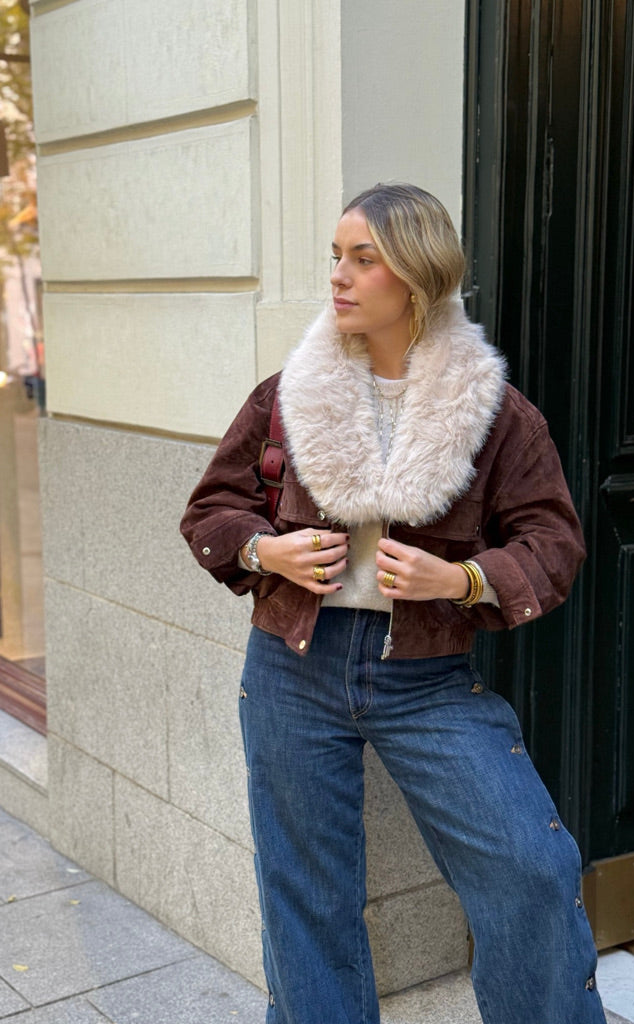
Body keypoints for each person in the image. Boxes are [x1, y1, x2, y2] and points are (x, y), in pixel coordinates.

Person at [180, 182, 606, 1024]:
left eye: (362, 258)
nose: (337, 276)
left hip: (426, 680)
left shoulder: (494, 415)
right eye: (335, 256)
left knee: (532, 866)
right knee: (306, 895)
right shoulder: (285, 397)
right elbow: (211, 513)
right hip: (291, 670)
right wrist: (267, 550)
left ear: (416, 275)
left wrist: (465, 581)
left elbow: (553, 545)